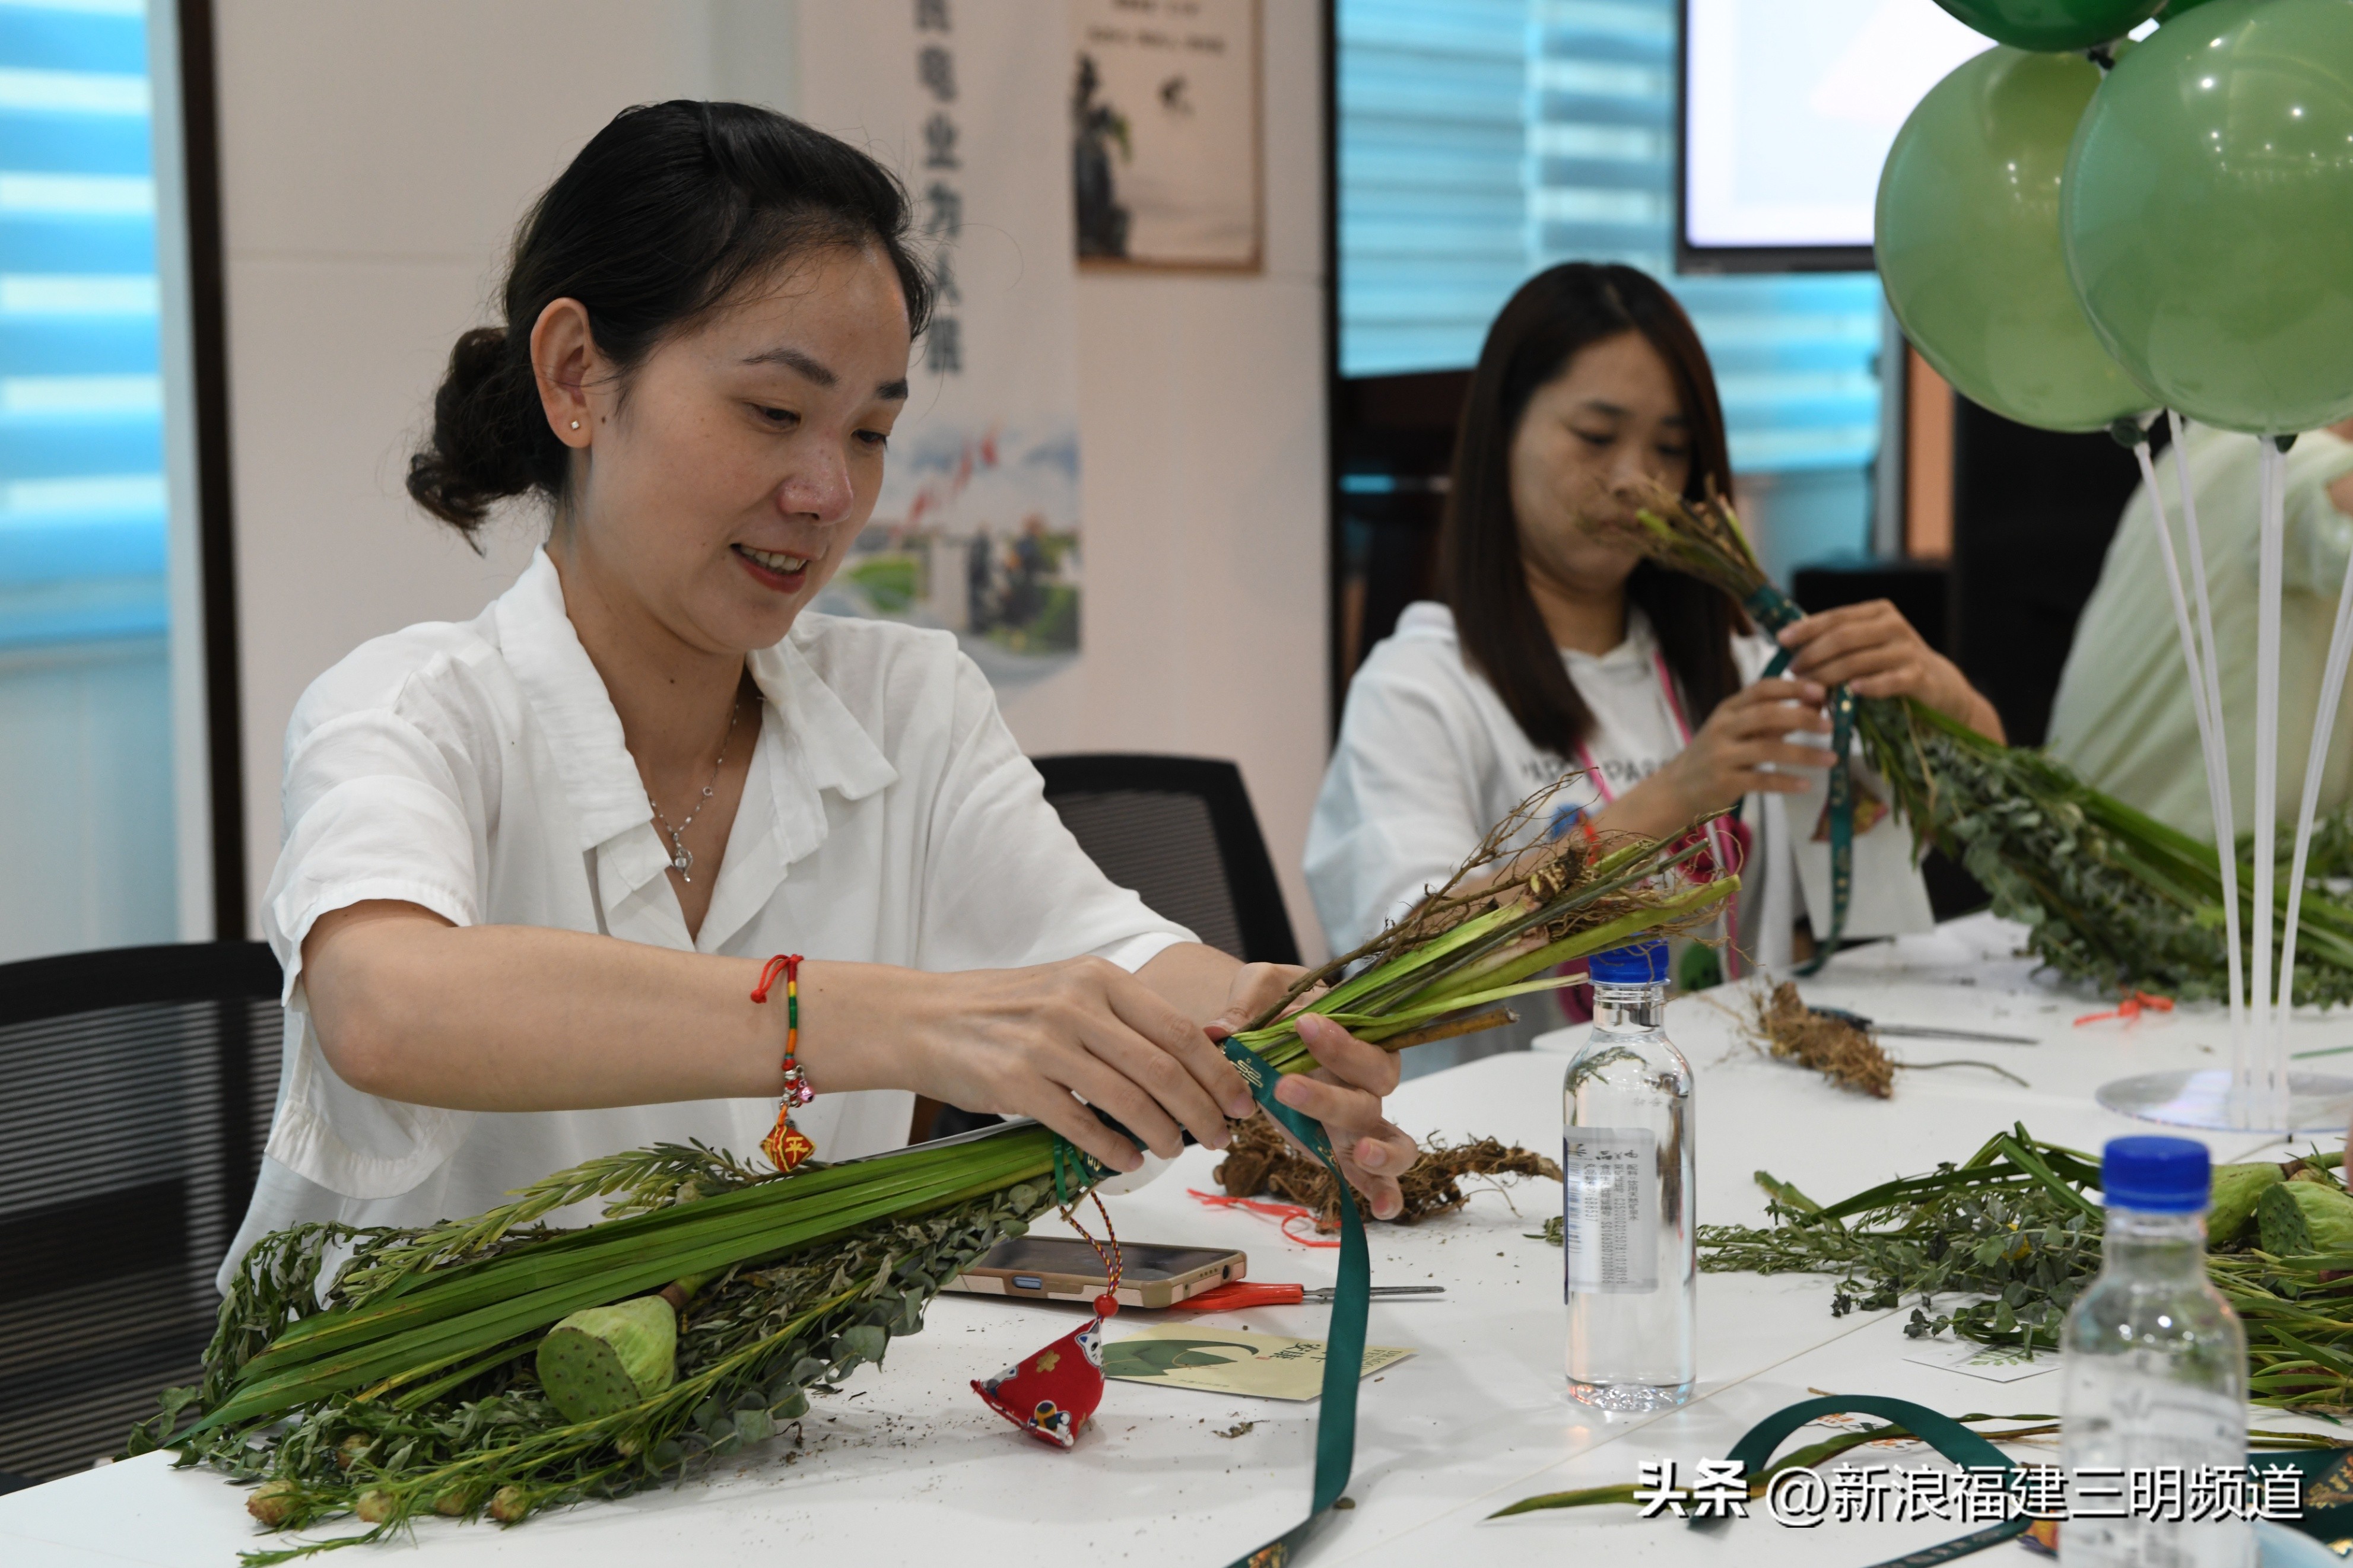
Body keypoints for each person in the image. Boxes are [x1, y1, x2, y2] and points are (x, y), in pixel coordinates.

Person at [223, 102, 1412, 1283]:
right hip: (385, 1454)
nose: (828, 493)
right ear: (576, 374)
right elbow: (383, 1004)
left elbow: (1099, 946)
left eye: (871, 431)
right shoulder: (411, 709)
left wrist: (1262, 1023)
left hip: (729, 1446)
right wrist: (896, 1023)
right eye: (775, 414)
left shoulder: (903, 700)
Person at [1306, 263, 2005, 1027]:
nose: (1635, 481)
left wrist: (1947, 703)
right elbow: (1400, 974)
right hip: (1517, 1133)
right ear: (1502, 429)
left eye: (1669, 450)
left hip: (1735, 1116)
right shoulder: (1420, 687)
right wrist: (1672, 798)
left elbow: (1979, 838)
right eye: (1595, 436)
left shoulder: (1739, 676)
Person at [2048, 419, 2353, 841]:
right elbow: (2326, 489)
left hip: (2104, 854)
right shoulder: (2271, 454)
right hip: (2148, 878)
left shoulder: (2211, 448)